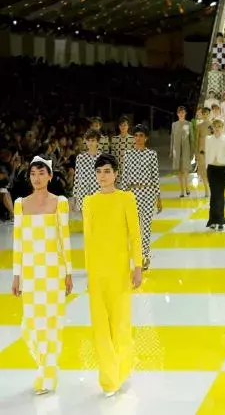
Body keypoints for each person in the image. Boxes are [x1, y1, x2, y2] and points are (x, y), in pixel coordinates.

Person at [11, 156, 73, 395]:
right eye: (33, 174)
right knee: (30, 326)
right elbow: (18, 243)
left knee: (52, 324)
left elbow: (64, 240)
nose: (36, 178)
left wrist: (68, 272)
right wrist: (16, 276)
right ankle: (43, 366)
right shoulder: (20, 204)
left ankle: (47, 375)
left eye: (41, 173)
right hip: (30, 272)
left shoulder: (60, 202)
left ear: (50, 176)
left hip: (53, 272)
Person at [83, 153, 142, 397]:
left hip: (119, 271)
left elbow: (135, 234)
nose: (103, 176)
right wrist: (88, 273)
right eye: (99, 171)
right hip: (97, 272)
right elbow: (88, 239)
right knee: (100, 327)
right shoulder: (89, 202)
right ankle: (109, 379)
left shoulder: (126, 198)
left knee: (119, 324)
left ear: (116, 174)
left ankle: (122, 369)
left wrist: (137, 266)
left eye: (107, 171)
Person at [120, 125, 162, 271]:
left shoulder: (151, 154)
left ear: (146, 138)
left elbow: (155, 176)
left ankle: (145, 256)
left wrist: (158, 197)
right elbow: (124, 176)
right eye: (136, 135)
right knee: (134, 227)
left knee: (147, 226)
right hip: (132, 193)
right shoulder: (128, 154)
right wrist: (122, 196)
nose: (138, 138)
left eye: (141, 135)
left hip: (148, 191)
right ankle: (137, 256)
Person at [205, 118, 225, 230]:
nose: (217, 128)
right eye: (215, 126)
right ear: (212, 127)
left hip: (222, 169)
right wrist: (205, 169)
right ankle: (212, 220)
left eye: (219, 126)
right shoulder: (208, 139)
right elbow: (207, 154)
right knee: (213, 195)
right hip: (211, 169)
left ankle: (220, 220)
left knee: (220, 195)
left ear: (222, 127)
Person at [72, 128, 101, 212]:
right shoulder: (80, 158)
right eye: (88, 140)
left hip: (97, 193)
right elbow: (77, 178)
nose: (90, 143)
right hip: (82, 194)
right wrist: (74, 198)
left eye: (93, 140)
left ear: (97, 142)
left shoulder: (102, 158)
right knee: (85, 219)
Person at [170, 106, 192, 197]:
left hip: (186, 149)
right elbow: (172, 138)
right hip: (177, 149)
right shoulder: (174, 124)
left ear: (185, 113)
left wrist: (192, 152)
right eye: (180, 112)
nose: (181, 114)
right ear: (177, 114)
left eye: (183, 112)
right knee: (179, 170)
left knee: (185, 169)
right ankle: (182, 190)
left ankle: (187, 186)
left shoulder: (189, 124)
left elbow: (191, 139)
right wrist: (171, 151)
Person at [110, 116, 135, 184]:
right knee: (117, 187)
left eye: (125, 125)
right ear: (119, 126)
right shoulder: (114, 139)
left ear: (128, 126)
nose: (123, 127)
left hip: (129, 168)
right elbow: (112, 155)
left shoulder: (133, 139)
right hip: (117, 168)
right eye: (121, 125)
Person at [196, 107, 211, 198]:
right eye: (204, 113)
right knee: (202, 171)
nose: (205, 115)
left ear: (209, 114)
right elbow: (196, 140)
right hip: (201, 151)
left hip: (211, 152)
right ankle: (206, 190)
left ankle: (210, 189)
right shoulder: (199, 126)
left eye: (207, 113)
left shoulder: (213, 125)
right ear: (202, 114)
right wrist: (196, 153)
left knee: (211, 171)